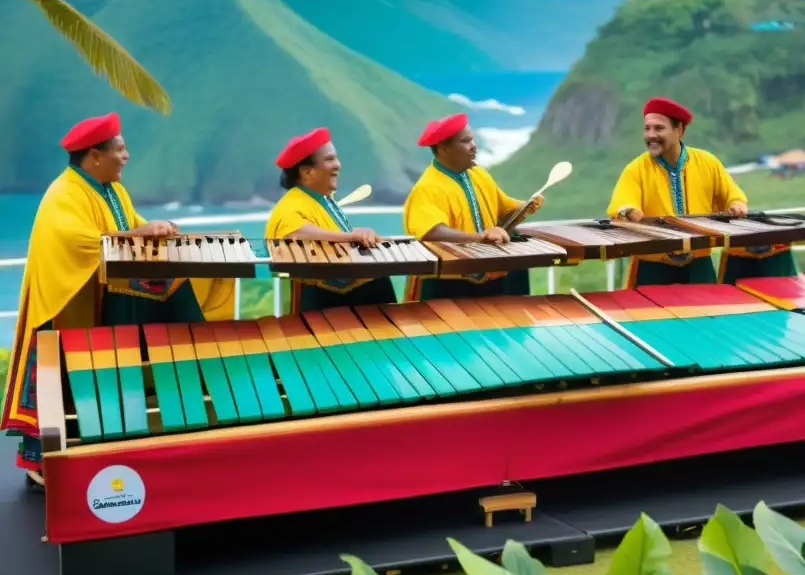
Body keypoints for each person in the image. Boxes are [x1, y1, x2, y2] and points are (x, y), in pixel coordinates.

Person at [2, 112, 234, 486]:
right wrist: (137, 232)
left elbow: (132, 227)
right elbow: (78, 241)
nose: (126, 156)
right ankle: (41, 462)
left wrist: (158, 228)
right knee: (56, 375)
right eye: (120, 149)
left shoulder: (113, 190)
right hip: (66, 302)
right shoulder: (63, 194)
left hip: (99, 288)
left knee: (170, 299)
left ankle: (164, 412)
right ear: (94, 155)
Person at [607, 97, 797, 287]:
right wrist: (628, 212)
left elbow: (733, 196)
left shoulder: (708, 162)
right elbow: (621, 205)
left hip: (699, 264)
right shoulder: (635, 169)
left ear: (679, 130)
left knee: (709, 315)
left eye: (659, 128)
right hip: (652, 266)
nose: (651, 135)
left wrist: (736, 206)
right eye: (647, 128)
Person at [402, 113, 542, 301]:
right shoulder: (427, 187)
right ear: (444, 147)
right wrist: (480, 237)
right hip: (450, 282)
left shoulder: (478, 174)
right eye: (466, 141)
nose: (473, 146)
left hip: (488, 271)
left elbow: (503, 208)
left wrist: (525, 206)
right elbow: (432, 231)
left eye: (473, 139)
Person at [264, 127, 397, 312]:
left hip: (342, 291)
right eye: (329, 159)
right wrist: (351, 237)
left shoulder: (322, 199)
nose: (338, 165)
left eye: (336, 158)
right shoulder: (292, 204)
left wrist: (360, 233)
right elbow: (294, 232)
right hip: (321, 300)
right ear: (307, 172)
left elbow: (330, 234)